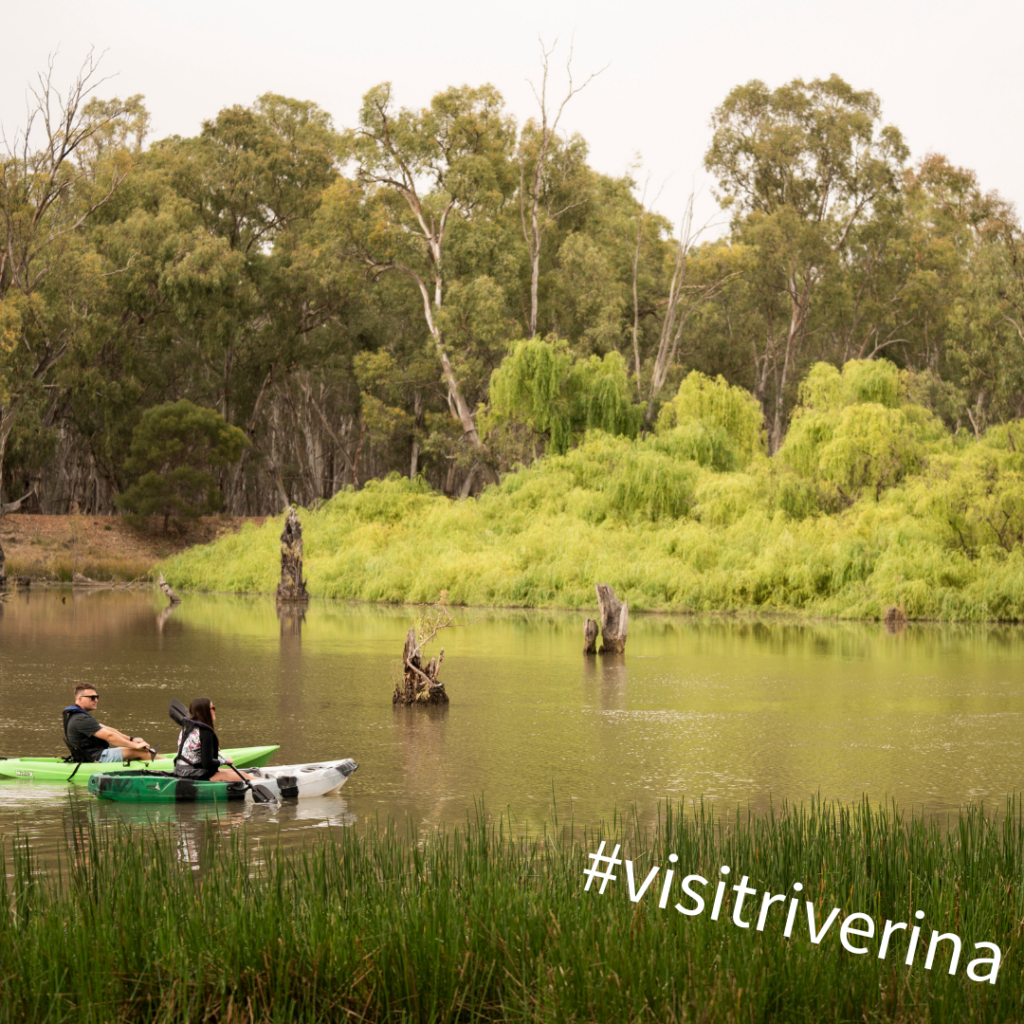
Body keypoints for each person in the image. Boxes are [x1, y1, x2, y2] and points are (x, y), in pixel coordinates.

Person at [63, 684, 155, 763]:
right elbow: (109, 736)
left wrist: (132, 739)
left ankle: (162, 761)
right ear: (80, 699)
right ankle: (166, 766)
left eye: (97, 697)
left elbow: (108, 729)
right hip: (96, 757)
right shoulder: (81, 719)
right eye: (92, 697)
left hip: (96, 754)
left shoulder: (80, 716)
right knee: (139, 751)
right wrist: (135, 746)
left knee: (137, 750)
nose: (96, 700)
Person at [173, 697, 255, 782]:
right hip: (193, 775)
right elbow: (207, 764)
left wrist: (210, 750)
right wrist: (226, 761)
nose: (215, 711)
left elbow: (194, 751)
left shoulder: (186, 728)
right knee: (243, 776)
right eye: (213, 708)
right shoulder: (206, 733)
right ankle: (266, 783)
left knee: (236, 772)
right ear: (205, 712)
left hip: (179, 771)